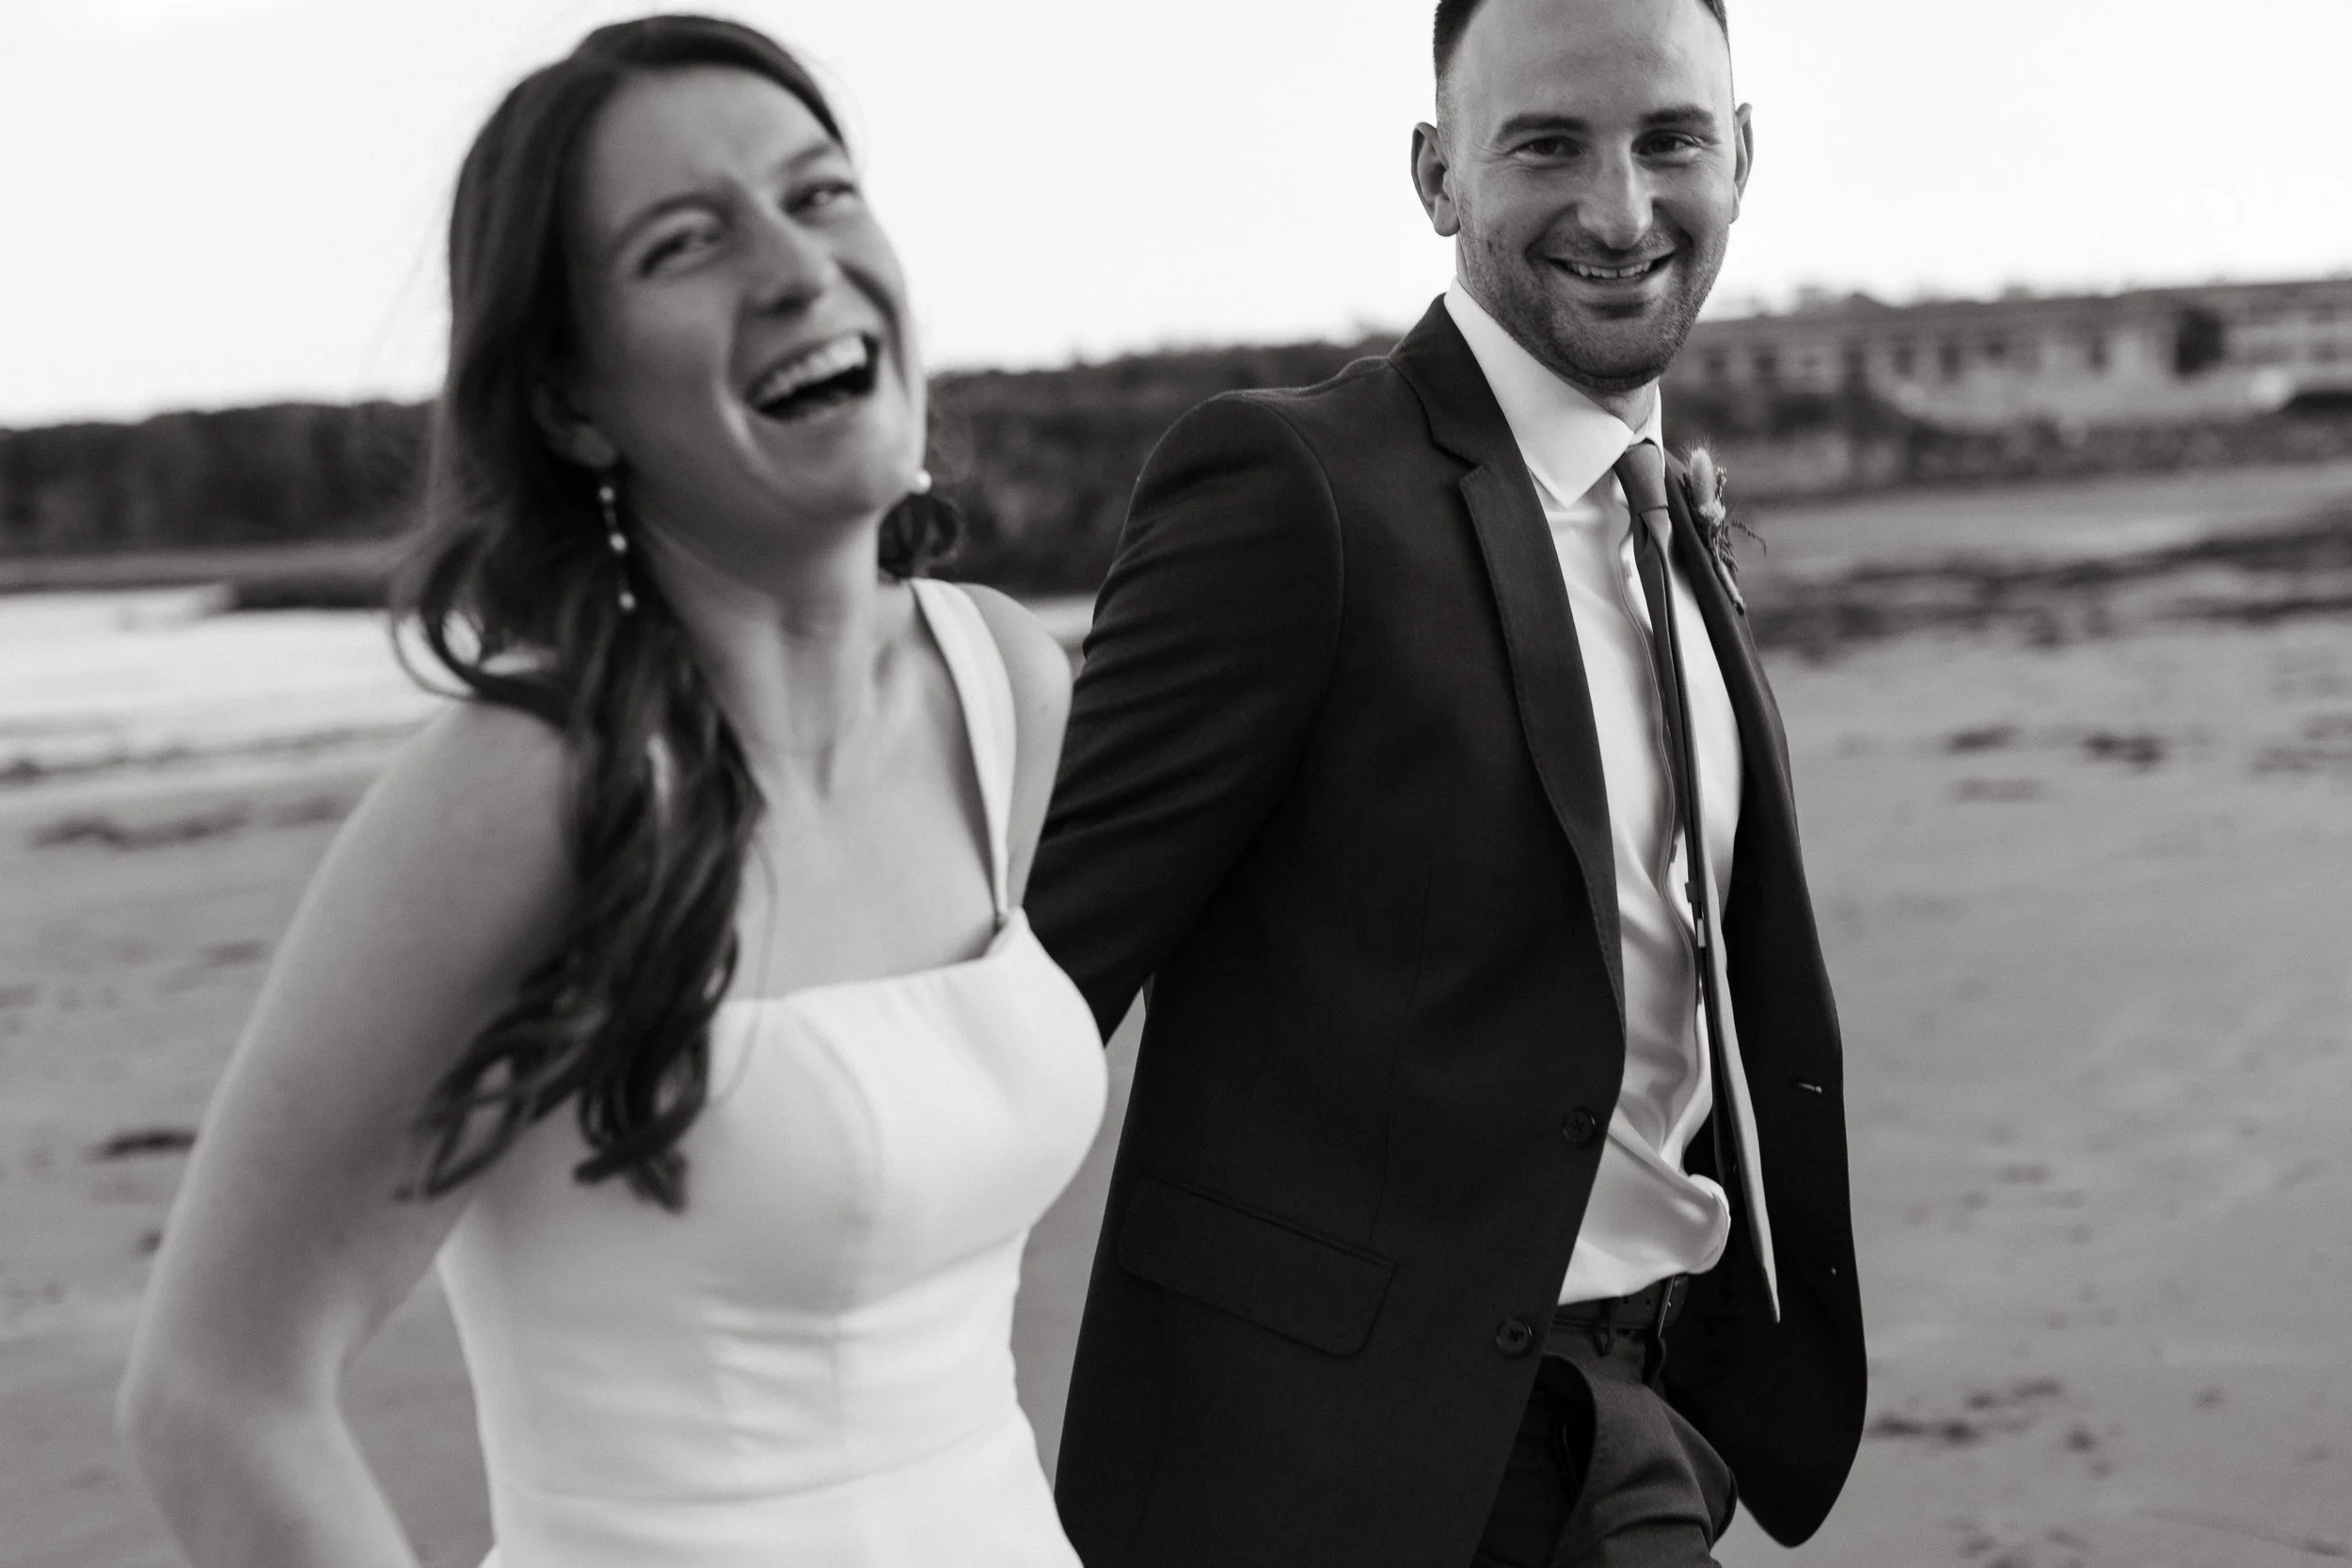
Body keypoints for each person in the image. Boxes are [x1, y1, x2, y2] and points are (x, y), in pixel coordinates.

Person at [116, 17, 1103, 1567]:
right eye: (686, 242)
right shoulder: (535, 791)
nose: (795, 266)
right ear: (574, 401)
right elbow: (215, 1391)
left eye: (821, 192)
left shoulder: (1005, 689)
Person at [1027, 0, 1864, 1562]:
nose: (1620, 210)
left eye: (1669, 139)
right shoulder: (1292, 491)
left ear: (1740, 155)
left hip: (1650, 1434)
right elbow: (1040, 973)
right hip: (1327, 1471)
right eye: (1546, 143)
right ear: (1436, 175)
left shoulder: (1665, 515)